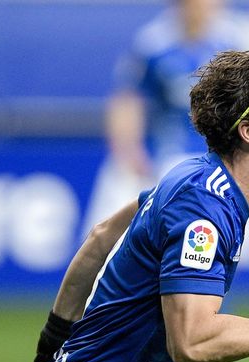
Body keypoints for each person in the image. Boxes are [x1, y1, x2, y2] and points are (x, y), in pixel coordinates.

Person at [0, 49, 249, 362]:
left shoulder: (196, 176)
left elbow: (102, 236)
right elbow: (190, 342)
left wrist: (55, 334)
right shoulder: (203, 209)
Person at [83, 0, 233, 237]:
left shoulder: (229, 45)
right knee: (116, 195)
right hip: (162, 156)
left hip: (210, 159)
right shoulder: (153, 44)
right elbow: (127, 100)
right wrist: (129, 150)